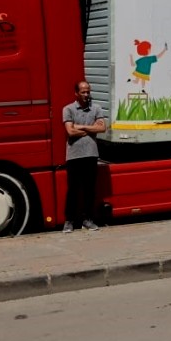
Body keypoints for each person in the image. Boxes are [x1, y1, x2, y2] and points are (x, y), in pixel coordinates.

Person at [63, 81, 108, 232]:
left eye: (88, 91)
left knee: (90, 189)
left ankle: (88, 220)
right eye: (83, 92)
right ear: (76, 93)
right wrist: (91, 129)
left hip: (91, 154)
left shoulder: (96, 108)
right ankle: (69, 221)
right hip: (74, 156)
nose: (86, 94)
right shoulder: (68, 109)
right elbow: (70, 131)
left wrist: (81, 127)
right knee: (73, 190)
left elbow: (102, 128)